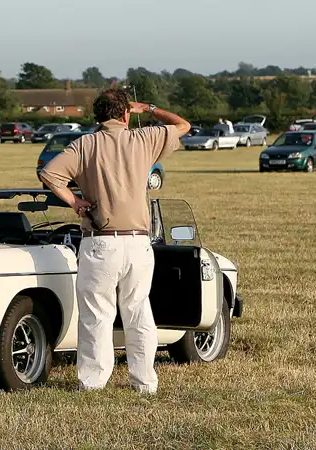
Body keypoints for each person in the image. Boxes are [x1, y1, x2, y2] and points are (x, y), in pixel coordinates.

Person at [40, 88, 190, 394]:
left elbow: (49, 174)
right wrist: (148, 108)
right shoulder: (143, 138)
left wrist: (75, 202)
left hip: (100, 241)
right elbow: (183, 125)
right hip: (137, 242)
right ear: (125, 114)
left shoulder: (85, 144)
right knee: (138, 311)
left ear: (98, 115)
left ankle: (93, 381)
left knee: (97, 314)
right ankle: (144, 381)